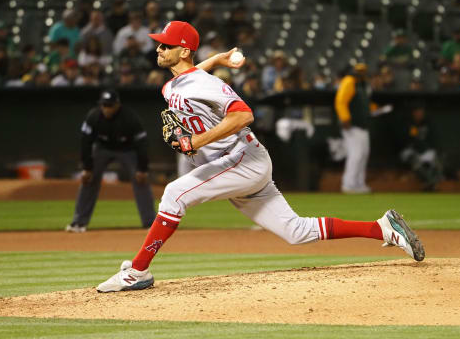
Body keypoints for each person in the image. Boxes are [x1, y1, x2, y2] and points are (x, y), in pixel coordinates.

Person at [96, 21, 424, 293]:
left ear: (183, 51)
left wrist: (197, 139)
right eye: (159, 44)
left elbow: (243, 115)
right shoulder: (174, 85)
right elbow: (192, 76)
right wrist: (219, 59)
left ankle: (137, 272)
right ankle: (384, 228)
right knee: (295, 231)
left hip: (242, 159)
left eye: (165, 45)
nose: (158, 49)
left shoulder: (205, 85)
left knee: (173, 193)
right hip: (241, 166)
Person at [66, 89, 156, 233]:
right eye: (104, 105)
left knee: (141, 180)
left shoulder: (130, 118)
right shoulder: (94, 116)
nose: (106, 109)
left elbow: (142, 143)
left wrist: (142, 169)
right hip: (102, 149)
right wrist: (87, 167)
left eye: (110, 105)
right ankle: (78, 223)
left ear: (117, 105)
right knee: (88, 180)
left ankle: (150, 223)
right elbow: (85, 142)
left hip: (128, 149)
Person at [334, 63, 373, 194]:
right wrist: (345, 118)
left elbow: (362, 104)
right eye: (358, 71)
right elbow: (340, 101)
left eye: (363, 70)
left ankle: (358, 184)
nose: (361, 73)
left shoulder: (361, 84)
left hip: (362, 125)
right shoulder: (349, 81)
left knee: (363, 154)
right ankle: (349, 184)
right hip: (352, 125)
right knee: (356, 155)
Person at [400, 101, 442, 191]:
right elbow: (409, 140)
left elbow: (433, 139)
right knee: (415, 161)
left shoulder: (428, 123)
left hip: (426, 151)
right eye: (417, 112)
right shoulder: (408, 124)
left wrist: (428, 150)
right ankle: (429, 182)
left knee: (437, 162)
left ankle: (432, 183)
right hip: (411, 151)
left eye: (420, 112)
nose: (419, 114)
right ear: (413, 113)